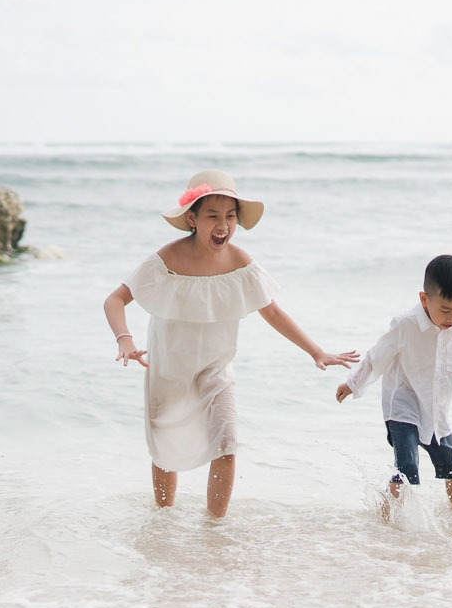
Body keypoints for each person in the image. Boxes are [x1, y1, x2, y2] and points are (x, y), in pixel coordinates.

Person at [102, 169, 359, 518]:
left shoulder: (240, 263)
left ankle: (215, 529)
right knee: (165, 448)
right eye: (212, 216)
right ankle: (162, 522)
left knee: (226, 443)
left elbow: (272, 311)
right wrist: (125, 340)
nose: (223, 225)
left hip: (216, 370)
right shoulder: (167, 259)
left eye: (230, 216)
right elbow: (115, 300)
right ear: (192, 218)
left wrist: (317, 351)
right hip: (169, 370)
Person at [335, 253, 452, 508]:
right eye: (446, 310)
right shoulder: (405, 324)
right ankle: (389, 520)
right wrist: (352, 384)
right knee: (407, 468)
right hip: (402, 405)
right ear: (424, 299)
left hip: (436, 409)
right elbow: (377, 357)